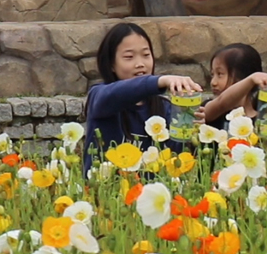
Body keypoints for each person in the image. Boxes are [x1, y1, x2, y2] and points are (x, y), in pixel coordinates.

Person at [83, 22, 201, 175]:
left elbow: (175, 156)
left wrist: (190, 123)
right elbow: (117, 93)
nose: (140, 64)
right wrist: (160, 81)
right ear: (111, 64)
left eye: (146, 55)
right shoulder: (99, 97)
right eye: (129, 57)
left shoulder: (164, 107)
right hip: (106, 193)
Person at [201, 43, 267, 130]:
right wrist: (251, 79)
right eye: (212, 74)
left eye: (220, 74)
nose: (213, 82)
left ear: (242, 78)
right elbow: (222, 104)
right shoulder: (211, 109)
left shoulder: (264, 119)